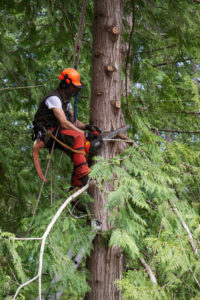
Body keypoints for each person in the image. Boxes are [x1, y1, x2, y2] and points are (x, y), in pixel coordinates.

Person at [32, 68, 101, 188]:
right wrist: (83, 134)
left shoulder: (66, 101)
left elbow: (72, 122)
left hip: (59, 132)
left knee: (85, 149)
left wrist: (87, 127)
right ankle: (83, 173)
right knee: (80, 136)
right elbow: (64, 123)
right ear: (65, 84)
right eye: (74, 87)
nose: (75, 90)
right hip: (48, 134)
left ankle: (75, 192)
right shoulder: (54, 98)